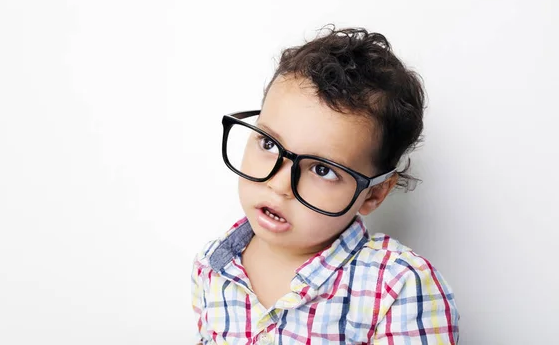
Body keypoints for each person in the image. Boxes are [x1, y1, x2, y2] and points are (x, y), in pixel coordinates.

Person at [190, 27, 459, 344]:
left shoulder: (399, 288)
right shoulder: (212, 265)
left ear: (373, 194)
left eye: (321, 169)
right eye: (269, 144)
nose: (279, 185)